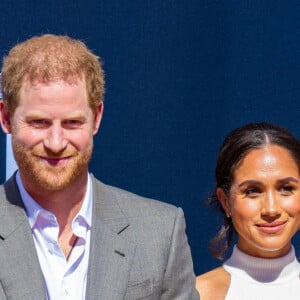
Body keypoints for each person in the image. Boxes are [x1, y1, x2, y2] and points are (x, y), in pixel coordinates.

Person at [0, 34, 199, 300]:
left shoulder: (160, 233)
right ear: (6, 117)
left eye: (72, 123)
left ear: (97, 118)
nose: (56, 143)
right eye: (39, 123)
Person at [196, 122, 300, 300]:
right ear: (225, 201)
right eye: (252, 191)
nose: (271, 209)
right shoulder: (196, 293)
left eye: (286, 188)